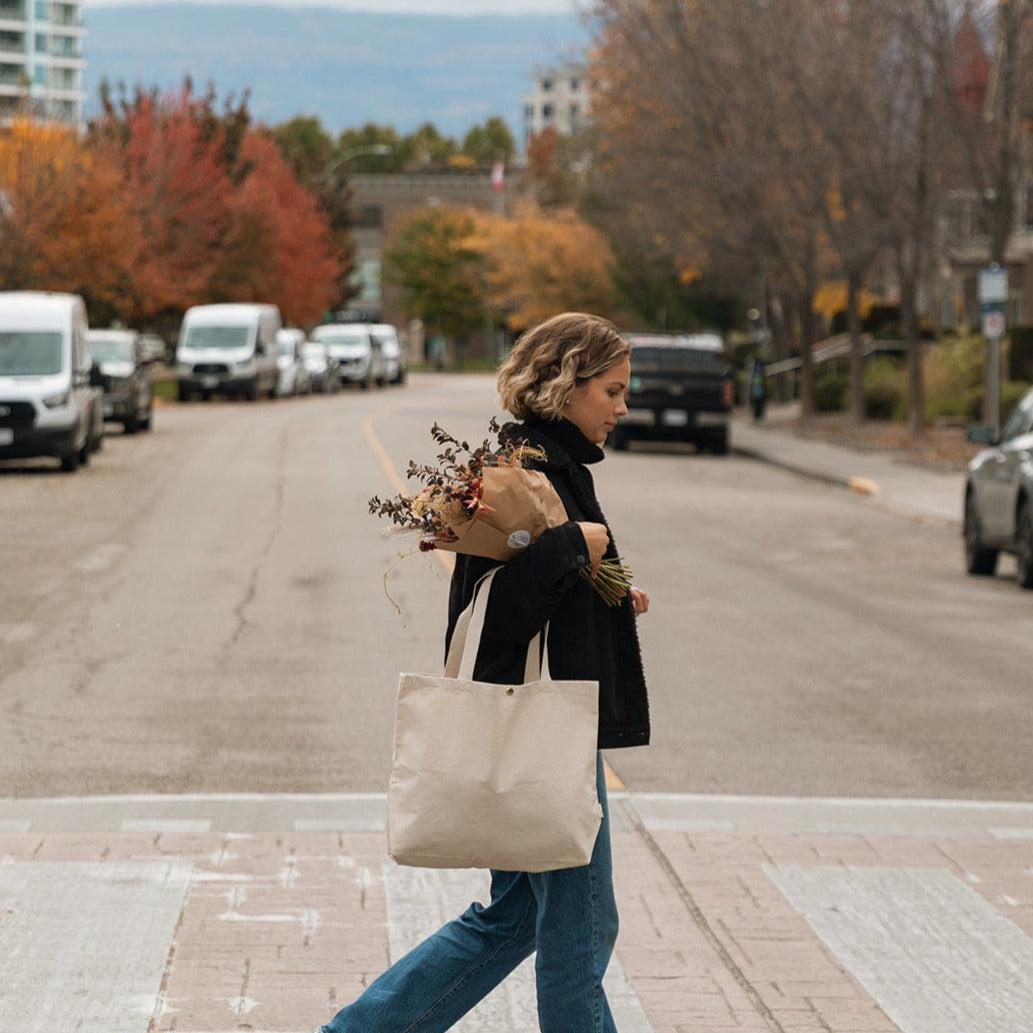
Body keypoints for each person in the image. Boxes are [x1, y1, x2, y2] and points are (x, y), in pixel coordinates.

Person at [312, 312, 651, 1033]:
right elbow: (495, 611)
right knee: (580, 934)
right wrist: (571, 546)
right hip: (544, 725)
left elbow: (545, 586)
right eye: (613, 390)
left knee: (516, 918)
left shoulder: (543, 462)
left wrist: (609, 585)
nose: (623, 406)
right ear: (567, 384)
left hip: (547, 717)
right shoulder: (520, 470)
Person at [749, 356, 766, 421]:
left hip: (756, 389)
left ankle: (757, 415)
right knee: (759, 403)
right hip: (759, 389)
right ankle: (758, 415)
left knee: (757, 403)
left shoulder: (754, 368)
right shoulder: (759, 368)